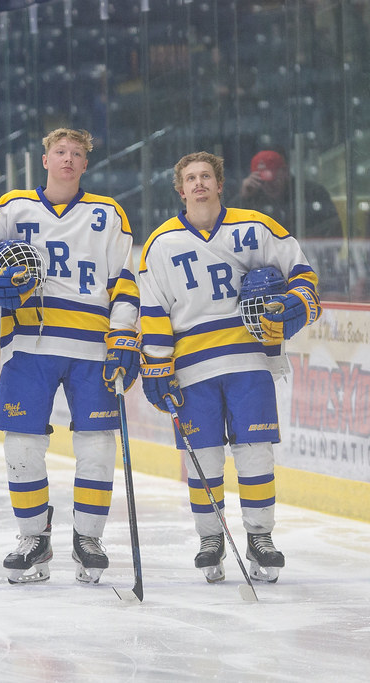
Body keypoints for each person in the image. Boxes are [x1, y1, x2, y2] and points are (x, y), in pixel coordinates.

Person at [0, 128, 140, 585]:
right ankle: (32, 538)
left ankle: (88, 540)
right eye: (60, 152)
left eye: (77, 154)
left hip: (91, 347)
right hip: (28, 344)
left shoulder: (107, 213)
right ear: (44, 159)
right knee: (21, 446)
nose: (68, 159)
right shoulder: (13, 207)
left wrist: (122, 334)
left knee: (97, 446)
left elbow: (124, 281)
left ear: (85, 165)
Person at [137, 151, 322, 584]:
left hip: (249, 359)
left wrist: (295, 302)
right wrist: (157, 368)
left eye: (206, 176)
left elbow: (303, 275)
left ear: (220, 184)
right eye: (190, 178)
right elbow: (154, 310)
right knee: (203, 457)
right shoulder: (161, 243)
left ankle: (261, 537)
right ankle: (210, 539)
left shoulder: (256, 227)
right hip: (192, 368)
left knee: (255, 452)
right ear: (180, 190)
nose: (198, 183)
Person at [232, 149, 342, 239]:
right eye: (262, 181)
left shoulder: (311, 193)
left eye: (273, 179)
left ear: (285, 171)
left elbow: (334, 228)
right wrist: (243, 197)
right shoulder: (253, 197)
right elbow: (226, 229)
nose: (269, 185)